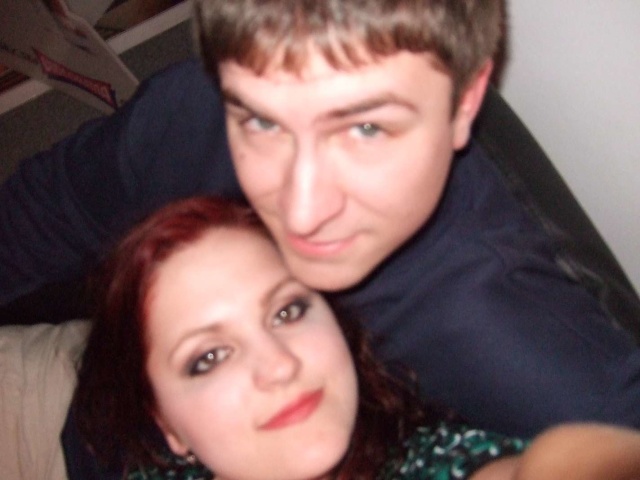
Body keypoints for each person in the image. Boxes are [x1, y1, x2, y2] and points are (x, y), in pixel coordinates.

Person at [0, 0, 639, 475]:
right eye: (261, 121)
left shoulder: (522, 351)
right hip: (68, 390)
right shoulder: (193, 112)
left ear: (463, 104)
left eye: (366, 129)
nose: (301, 213)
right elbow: (44, 209)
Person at [70, 195, 640, 480]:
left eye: (288, 310)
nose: (279, 364)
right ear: (168, 427)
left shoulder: (434, 459)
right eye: (209, 356)